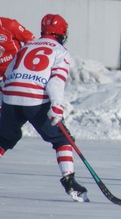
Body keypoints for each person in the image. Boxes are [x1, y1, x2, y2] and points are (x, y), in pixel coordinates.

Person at [0, 14, 89, 202]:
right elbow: (55, 81)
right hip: (34, 100)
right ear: (63, 33)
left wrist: (4, 102)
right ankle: (69, 181)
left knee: (4, 138)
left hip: (10, 97)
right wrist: (57, 105)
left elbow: (8, 75)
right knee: (61, 139)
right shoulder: (60, 51)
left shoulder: (27, 46)